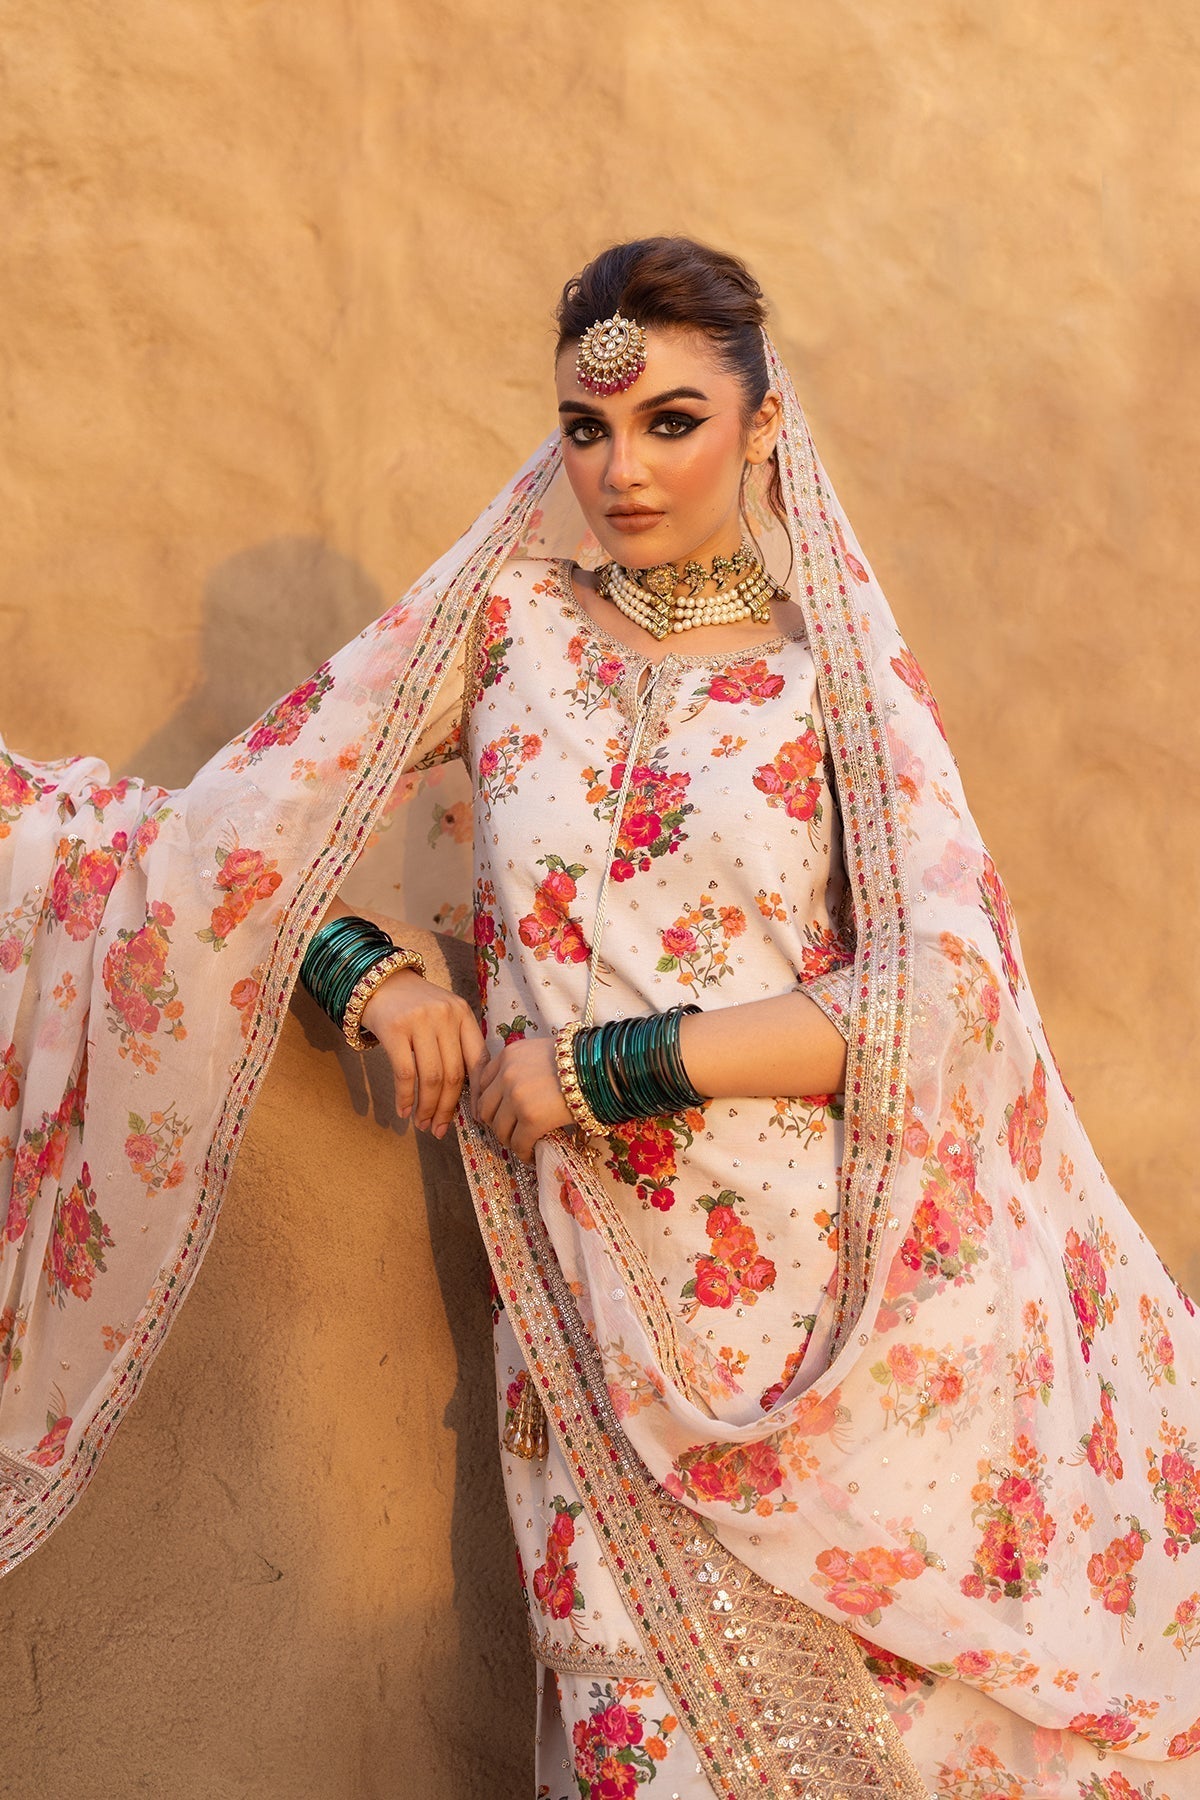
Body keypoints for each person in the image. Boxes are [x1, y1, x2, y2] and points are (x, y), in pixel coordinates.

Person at [0, 237, 1196, 1799]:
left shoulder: (833, 684)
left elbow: (947, 994)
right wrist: (364, 967)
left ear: (763, 428)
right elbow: (224, 846)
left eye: (671, 422)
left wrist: (603, 1065)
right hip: (589, 1320)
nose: (622, 469)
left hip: (840, 1337)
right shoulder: (508, 634)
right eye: (587, 427)